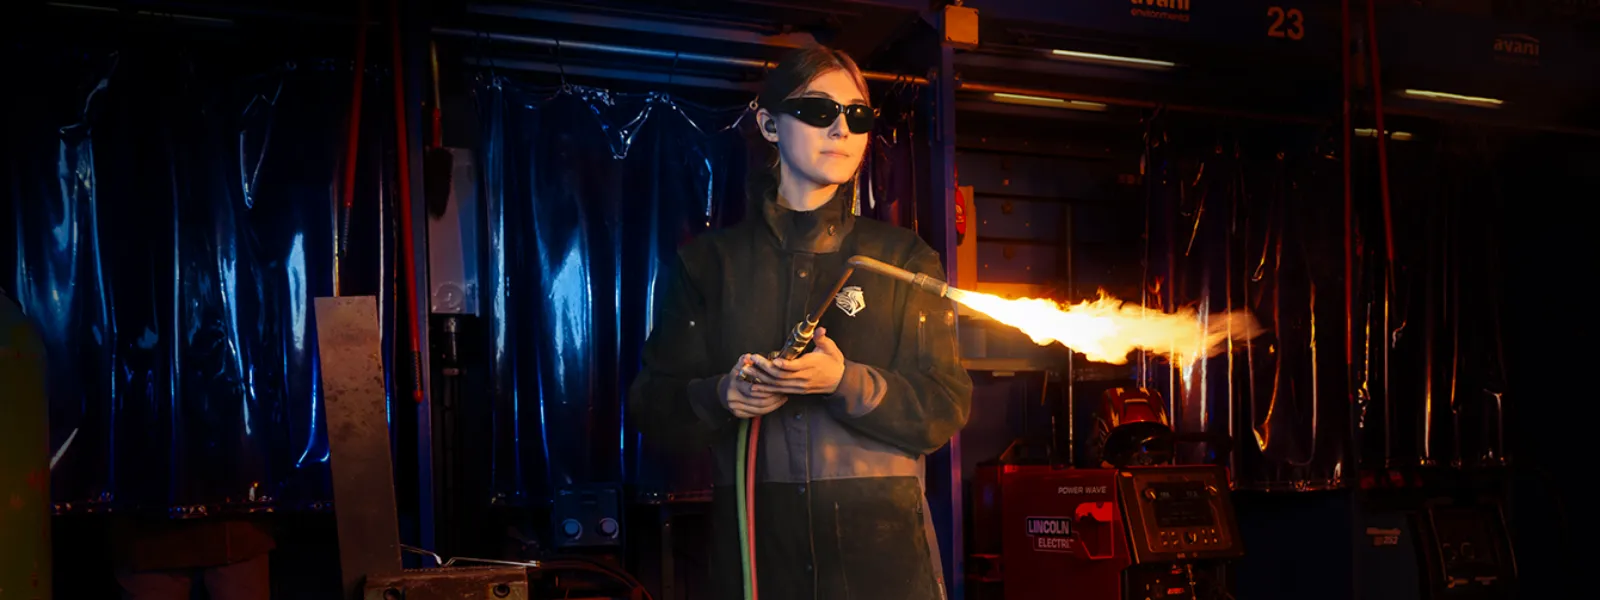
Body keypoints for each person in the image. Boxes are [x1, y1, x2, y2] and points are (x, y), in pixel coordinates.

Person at [628, 45, 973, 600]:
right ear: (768, 124)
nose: (841, 128)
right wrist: (723, 395)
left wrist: (844, 382)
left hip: (882, 562)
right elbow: (650, 403)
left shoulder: (904, 260)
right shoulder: (710, 264)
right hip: (761, 558)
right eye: (818, 111)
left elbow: (944, 408)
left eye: (857, 115)